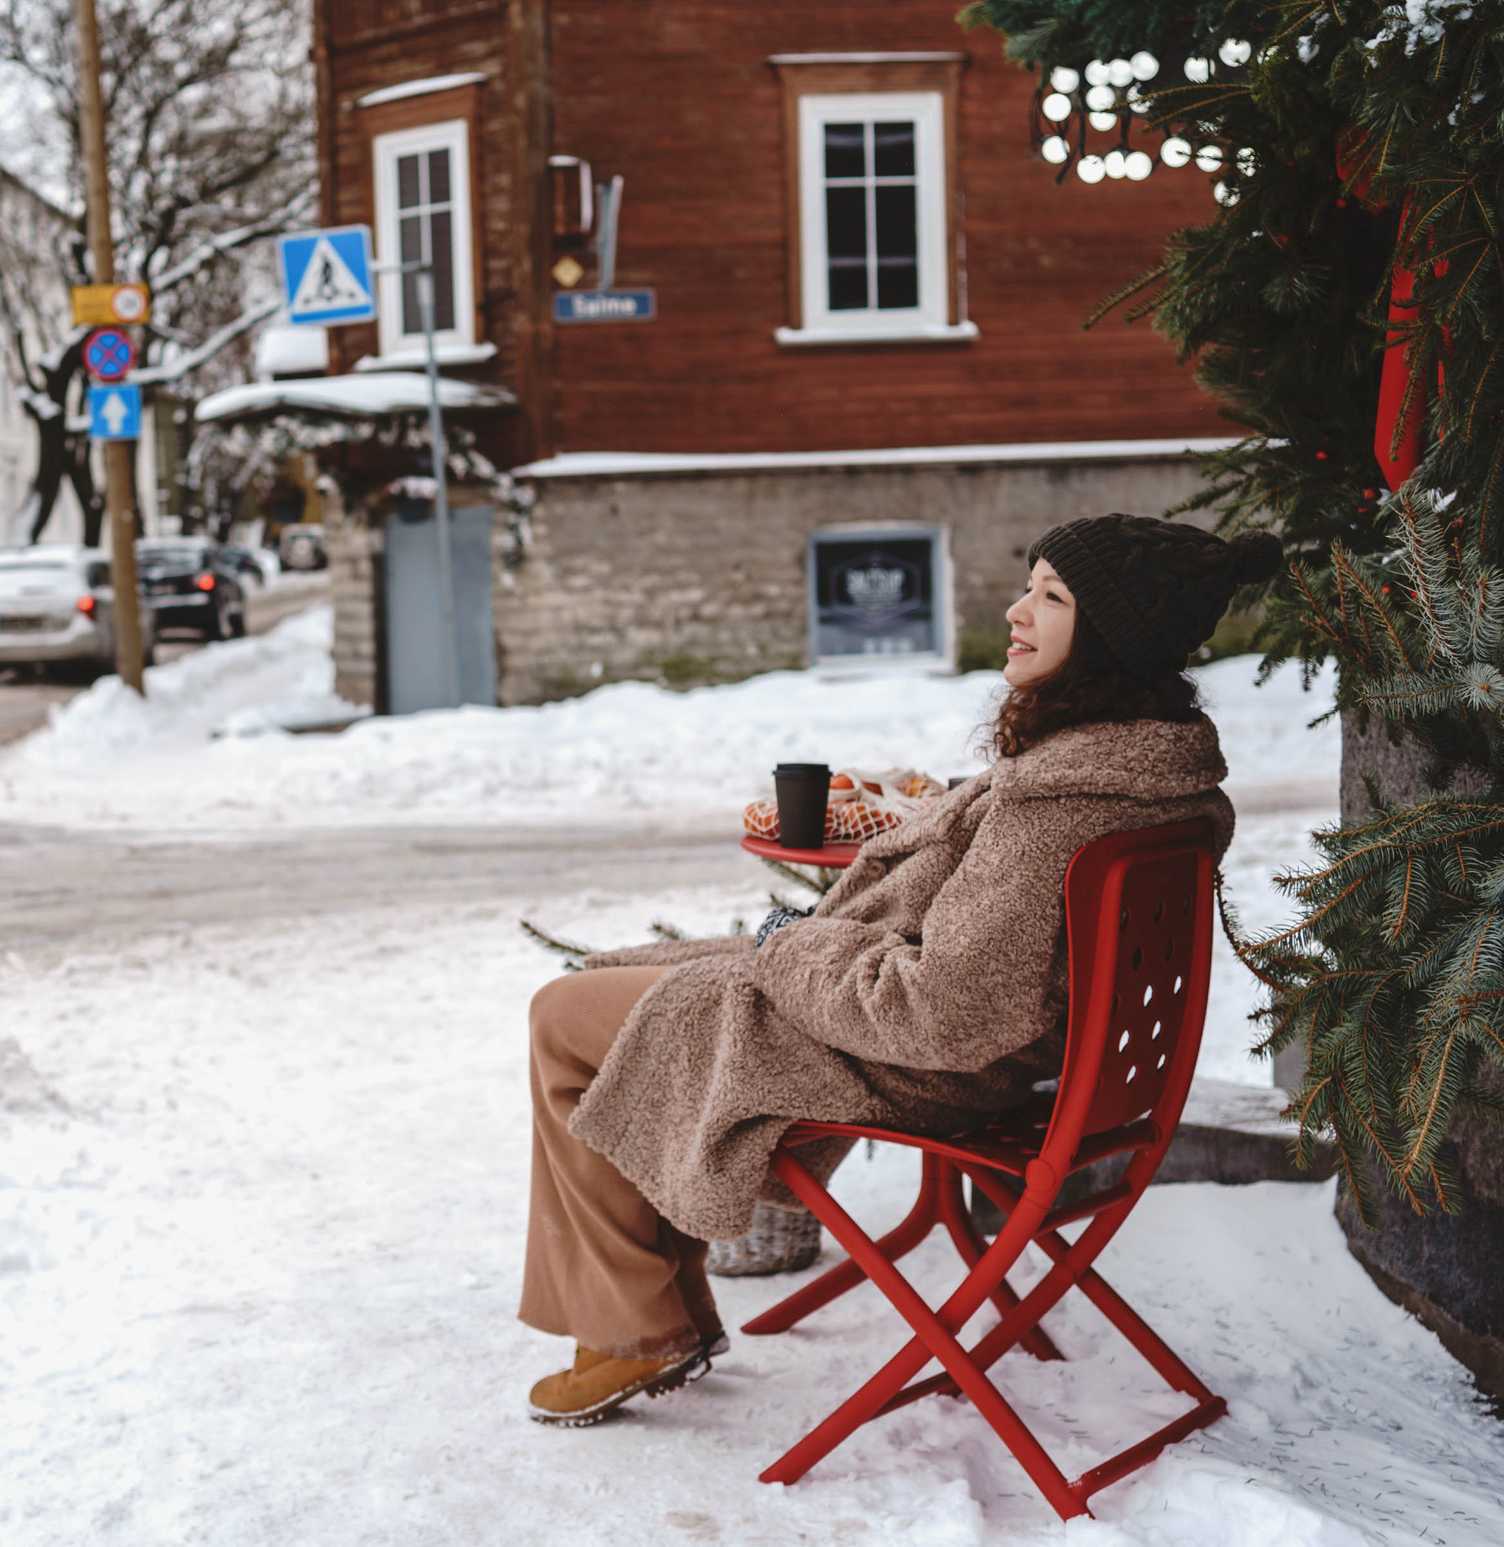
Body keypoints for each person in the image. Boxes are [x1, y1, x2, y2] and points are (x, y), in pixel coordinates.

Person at [517, 515, 1282, 1426]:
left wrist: (786, 940)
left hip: (919, 1067)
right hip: (1011, 1061)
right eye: (1028, 585)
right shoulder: (1145, 775)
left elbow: (945, 1015)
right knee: (613, 982)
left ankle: (637, 1329)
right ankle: (653, 1309)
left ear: (1111, 634)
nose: (1017, 610)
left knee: (565, 1018)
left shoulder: (1060, 806)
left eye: (1052, 596)